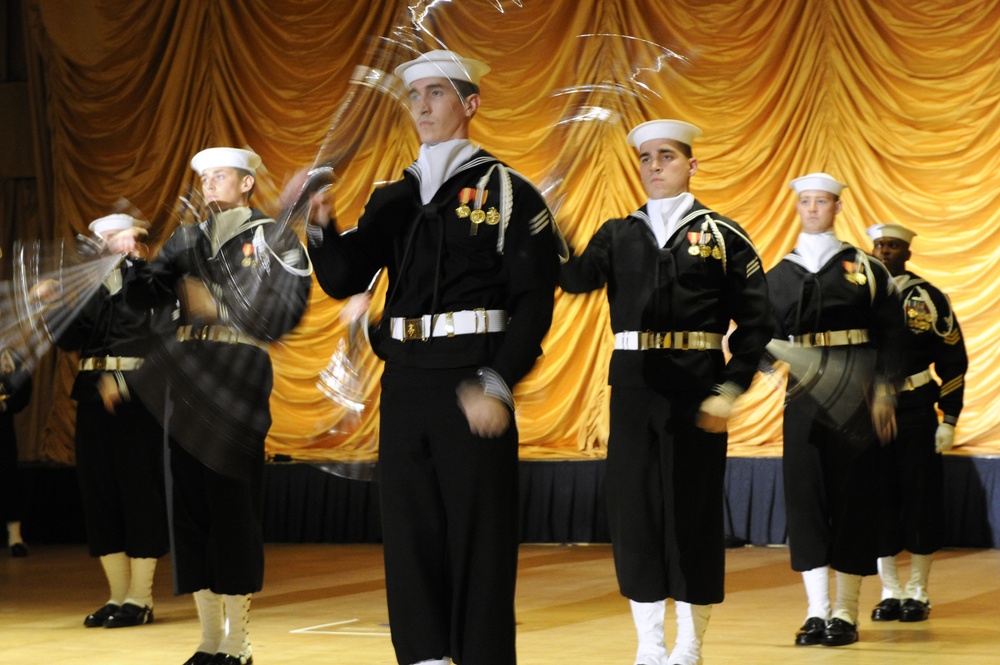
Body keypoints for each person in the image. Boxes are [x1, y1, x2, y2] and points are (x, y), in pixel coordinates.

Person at [301, 50, 559, 665]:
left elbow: (534, 306)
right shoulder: (394, 196)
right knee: (411, 533)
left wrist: (498, 381)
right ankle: (424, 657)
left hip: (473, 377)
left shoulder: (513, 193)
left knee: (479, 538)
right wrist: (318, 226)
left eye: (436, 93)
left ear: (469, 105)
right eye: (413, 95)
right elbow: (343, 276)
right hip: (407, 379)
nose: (420, 105)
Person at [558, 119, 771, 665]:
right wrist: (549, 226)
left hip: (695, 392)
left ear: (691, 164)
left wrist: (730, 390)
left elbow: (755, 326)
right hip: (632, 389)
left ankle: (690, 642)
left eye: (667, 156)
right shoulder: (617, 233)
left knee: (692, 514)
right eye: (646, 157)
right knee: (635, 514)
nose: (655, 165)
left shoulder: (724, 235)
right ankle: (649, 643)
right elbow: (575, 277)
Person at [115, 147, 312, 665]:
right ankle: (208, 639)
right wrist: (133, 263)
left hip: (238, 374)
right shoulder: (186, 238)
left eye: (220, 176)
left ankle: (238, 642)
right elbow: (147, 301)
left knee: (232, 506)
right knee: (190, 507)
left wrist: (219, 305)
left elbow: (287, 309)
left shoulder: (272, 236)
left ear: (247, 184)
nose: (208, 185)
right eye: (203, 177)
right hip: (188, 378)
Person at [767, 173, 904, 647]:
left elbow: (891, 335)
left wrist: (885, 391)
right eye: (804, 201)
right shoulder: (780, 273)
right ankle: (816, 611)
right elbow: (764, 335)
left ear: (837, 207)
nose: (811, 209)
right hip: (804, 396)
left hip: (855, 393)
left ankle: (845, 611)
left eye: (820, 201)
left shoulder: (866, 268)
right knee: (806, 500)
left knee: (853, 500)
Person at [45, 213, 171, 628]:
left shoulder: (151, 280)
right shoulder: (92, 288)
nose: (113, 247)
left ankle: (141, 598)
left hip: (139, 396)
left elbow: (162, 341)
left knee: (140, 492)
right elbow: (71, 339)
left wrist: (124, 380)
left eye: (121, 239)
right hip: (93, 393)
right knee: (98, 493)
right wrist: (49, 305)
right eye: (107, 241)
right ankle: (118, 596)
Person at [866, 223, 968, 624]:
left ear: (907, 253)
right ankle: (890, 589)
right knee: (878, 499)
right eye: (880, 245)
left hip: (915, 408)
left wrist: (951, 418)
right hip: (871, 410)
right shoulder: (860, 295)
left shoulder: (929, 297)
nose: (885, 251)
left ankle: (919, 590)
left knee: (921, 498)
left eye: (893, 246)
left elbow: (953, 360)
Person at [1, 345, 32, 557]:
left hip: (1, 428)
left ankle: (15, 537)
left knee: (7, 478)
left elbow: (23, 386)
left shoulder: (9, 355)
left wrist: (5, 406)